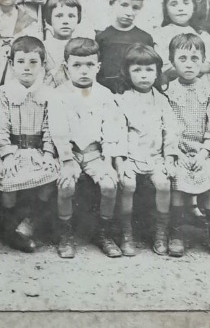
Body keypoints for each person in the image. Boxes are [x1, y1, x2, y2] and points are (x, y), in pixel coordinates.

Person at [48, 38, 128, 258]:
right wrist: (66, 161)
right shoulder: (58, 95)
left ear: (98, 67)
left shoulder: (104, 95)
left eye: (89, 65)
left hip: (95, 154)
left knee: (109, 185)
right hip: (69, 154)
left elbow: (111, 129)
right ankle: (65, 234)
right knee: (66, 185)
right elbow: (58, 130)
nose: (83, 71)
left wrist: (108, 162)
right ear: (66, 67)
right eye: (77, 65)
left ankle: (104, 233)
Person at [164, 33, 210, 259]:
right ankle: (176, 232)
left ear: (203, 61)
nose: (189, 64)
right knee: (178, 179)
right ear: (172, 62)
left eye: (195, 58)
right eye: (182, 59)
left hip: (203, 150)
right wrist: (178, 153)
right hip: (177, 150)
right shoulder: (168, 92)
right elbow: (168, 127)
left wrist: (203, 153)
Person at [0, 36, 60, 252]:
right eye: (20, 62)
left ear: (42, 65)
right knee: (9, 180)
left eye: (33, 62)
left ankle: (30, 222)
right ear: (11, 64)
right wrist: (6, 155)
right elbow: (1, 127)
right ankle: (10, 227)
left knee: (50, 176)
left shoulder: (48, 93)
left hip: (38, 150)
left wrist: (48, 153)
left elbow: (50, 126)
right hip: (12, 150)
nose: (27, 68)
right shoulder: (5, 93)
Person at [114, 44, 181, 256]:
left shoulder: (161, 101)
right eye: (137, 70)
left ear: (157, 72)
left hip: (155, 157)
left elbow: (171, 131)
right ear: (127, 72)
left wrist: (169, 159)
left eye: (149, 70)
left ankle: (161, 232)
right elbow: (117, 133)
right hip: (131, 157)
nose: (144, 75)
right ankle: (126, 233)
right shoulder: (121, 100)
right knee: (128, 184)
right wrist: (120, 162)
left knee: (163, 183)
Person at [152, 0, 210, 85]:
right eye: (174, 4)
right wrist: (192, 69)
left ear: (194, 7)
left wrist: (190, 70)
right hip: (173, 87)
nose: (180, 8)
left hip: (201, 86)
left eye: (186, 3)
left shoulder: (202, 34)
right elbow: (164, 67)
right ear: (166, 9)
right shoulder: (161, 35)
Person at [95, 0, 155, 94]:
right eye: (124, 5)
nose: (129, 12)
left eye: (135, 7)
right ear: (112, 3)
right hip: (107, 92)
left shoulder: (145, 38)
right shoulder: (102, 37)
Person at [42, 0, 82, 87]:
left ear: (78, 19)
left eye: (71, 16)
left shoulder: (82, 47)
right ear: (49, 18)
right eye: (59, 16)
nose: (65, 21)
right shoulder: (43, 48)